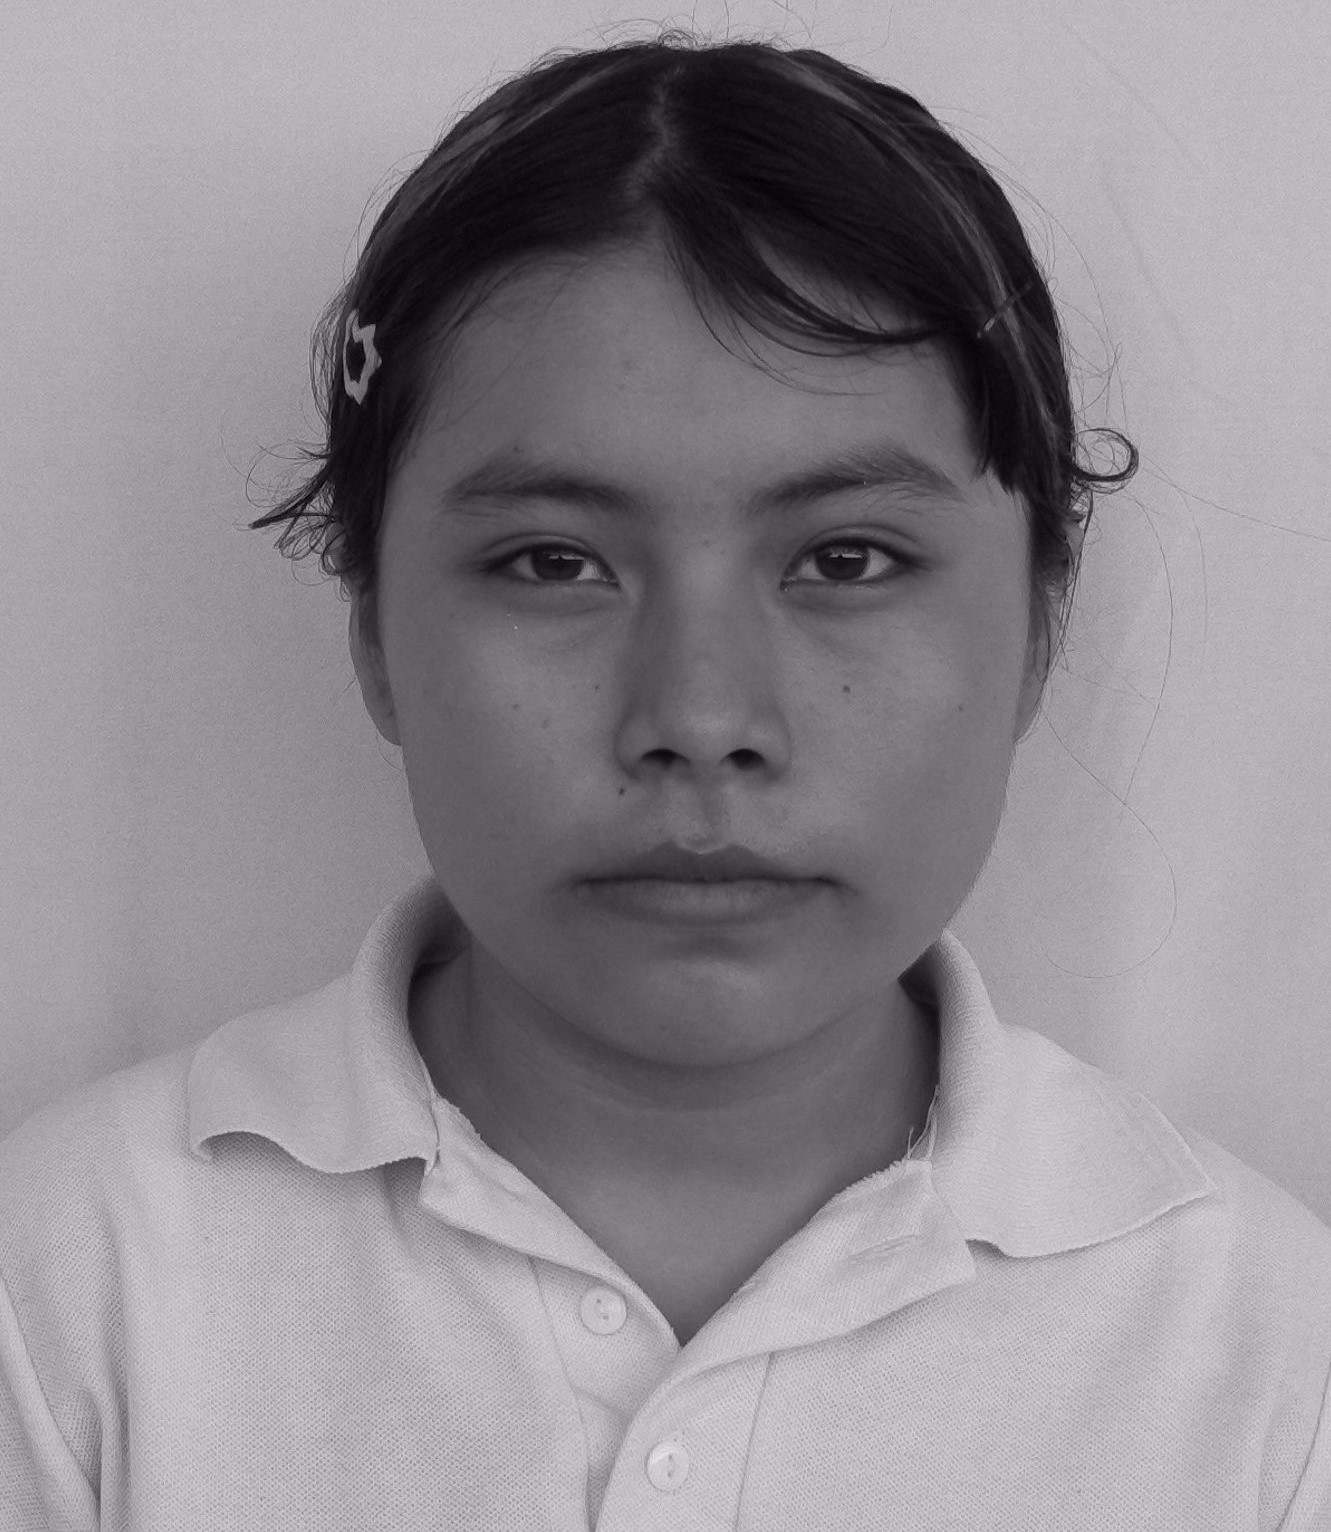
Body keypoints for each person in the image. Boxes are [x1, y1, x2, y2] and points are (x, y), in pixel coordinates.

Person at [2, 29, 1328, 1531]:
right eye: (552, 563)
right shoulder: (74, 1292)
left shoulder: (1264, 1368)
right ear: (374, 632)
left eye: (848, 560)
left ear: (1041, 629)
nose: (701, 719)